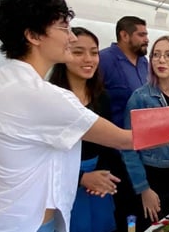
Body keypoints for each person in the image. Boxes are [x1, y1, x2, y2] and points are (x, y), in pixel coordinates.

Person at [0, 0, 134, 231]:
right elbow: (126, 140)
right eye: (64, 28)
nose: (71, 37)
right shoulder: (40, 95)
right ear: (33, 35)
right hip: (28, 224)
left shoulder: (1, 80)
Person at [121, 35, 169, 231]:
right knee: (152, 226)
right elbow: (127, 147)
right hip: (152, 176)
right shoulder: (140, 98)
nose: (161, 60)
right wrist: (143, 189)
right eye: (156, 55)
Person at [49, 27, 118, 232]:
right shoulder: (50, 98)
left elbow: (110, 142)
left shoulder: (101, 96)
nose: (88, 59)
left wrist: (102, 175)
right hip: (62, 182)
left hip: (99, 183)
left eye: (94, 52)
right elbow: (45, 155)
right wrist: (81, 178)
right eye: (78, 52)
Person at [98, 16, 149, 232]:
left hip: (143, 151)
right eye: (142, 34)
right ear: (124, 35)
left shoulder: (146, 63)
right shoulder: (104, 60)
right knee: (124, 209)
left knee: (141, 207)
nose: (147, 39)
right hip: (114, 154)